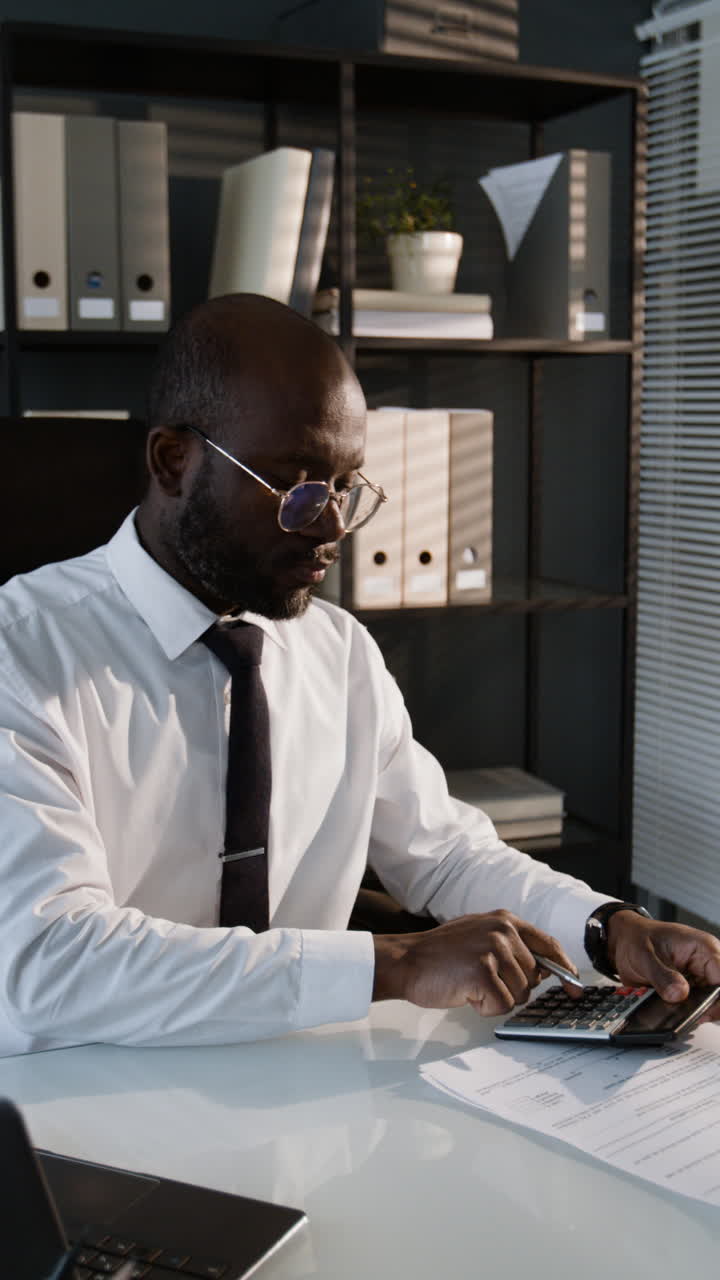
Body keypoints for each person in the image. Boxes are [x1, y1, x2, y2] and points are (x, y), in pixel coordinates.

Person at [0, 292, 718, 1057]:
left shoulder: (336, 650)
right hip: (79, 1110)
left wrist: (609, 930)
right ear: (175, 461)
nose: (332, 524)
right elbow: (52, 962)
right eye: (297, 485)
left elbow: (442, 854)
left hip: (301, 1086)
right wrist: (395, 964)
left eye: (346, 486)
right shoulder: (24, 655)